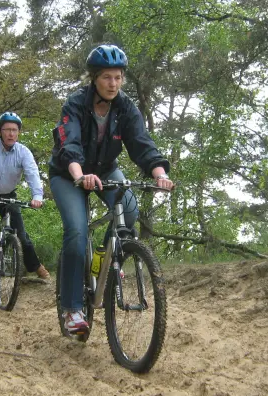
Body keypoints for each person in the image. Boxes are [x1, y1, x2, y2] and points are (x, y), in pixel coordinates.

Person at [48, 44, 175, 334]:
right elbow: (69, 144)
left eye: (118, 77)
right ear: (94, 78)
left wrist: (160, 173)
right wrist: (80, 175)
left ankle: (102, 260)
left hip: (105, 171)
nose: (113, 84)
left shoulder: (125, 107)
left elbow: (141, 142)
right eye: (107, 77)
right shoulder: (75, 103)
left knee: (129, 211)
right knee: (78, 232)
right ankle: (72, 309)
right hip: (68, 174)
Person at [0, 111, 50, 296]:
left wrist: (37, 196)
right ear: (0, 131)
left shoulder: (23, 152)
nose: (11, 134)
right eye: (7, 130)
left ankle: (35, 266)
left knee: (20, 234)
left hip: (8, 195)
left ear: (19, 132)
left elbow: (32, 174)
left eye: (14, 130)